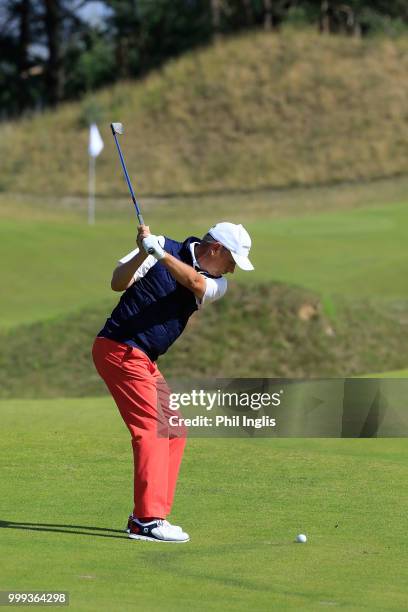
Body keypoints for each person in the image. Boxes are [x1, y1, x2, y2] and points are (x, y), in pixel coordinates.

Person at [92, 222, 254, 543]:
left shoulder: (216, 283)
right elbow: (117, 282)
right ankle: (147, 520)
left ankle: (153, 515)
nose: (233, 270)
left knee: (174, 428)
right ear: (216, 249)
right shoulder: (161, 245)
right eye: (232, 260)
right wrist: (143, 253)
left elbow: (194, 281)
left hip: (144, 358)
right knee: (152, 428)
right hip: (120, 347)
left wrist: (160, 253)